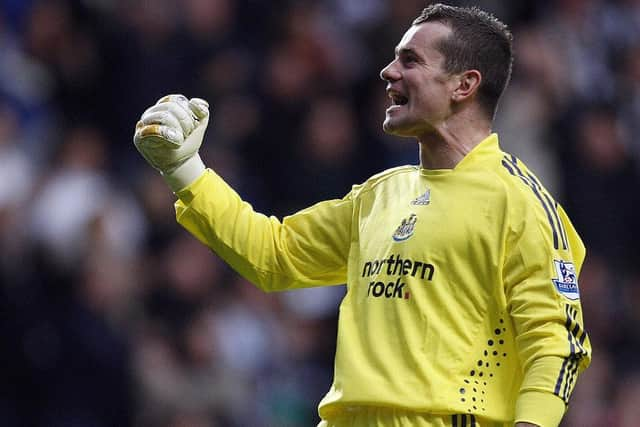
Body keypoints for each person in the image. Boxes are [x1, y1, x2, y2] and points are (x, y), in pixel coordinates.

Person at [133, 4, 591, 427]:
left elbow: (556, 346)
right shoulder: (379, 195)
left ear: (463, 85)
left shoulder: (520, 204)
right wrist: (184, 170)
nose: (388, 71)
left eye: (410, 60)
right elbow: (274, 256)